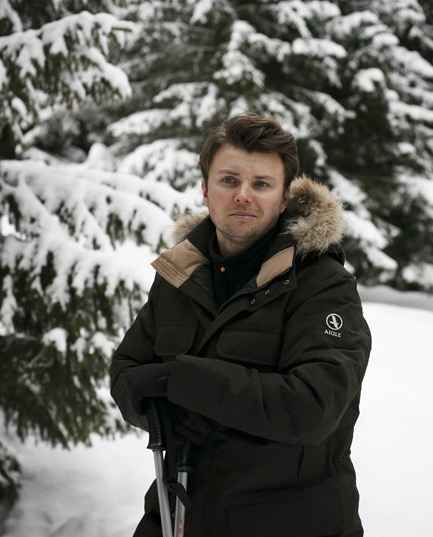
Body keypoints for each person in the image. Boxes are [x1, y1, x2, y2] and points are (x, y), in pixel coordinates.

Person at [110, 112, 371, 537]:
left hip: (291, 524)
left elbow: (313, 407)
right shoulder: (180, 274)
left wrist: (183, 382)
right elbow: (127, 369)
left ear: (283, 198)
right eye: (229, 180)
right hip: (177, 514)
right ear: (205, 190)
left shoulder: (322, 285)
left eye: (261, 184)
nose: (243, 196)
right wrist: (155, 409)